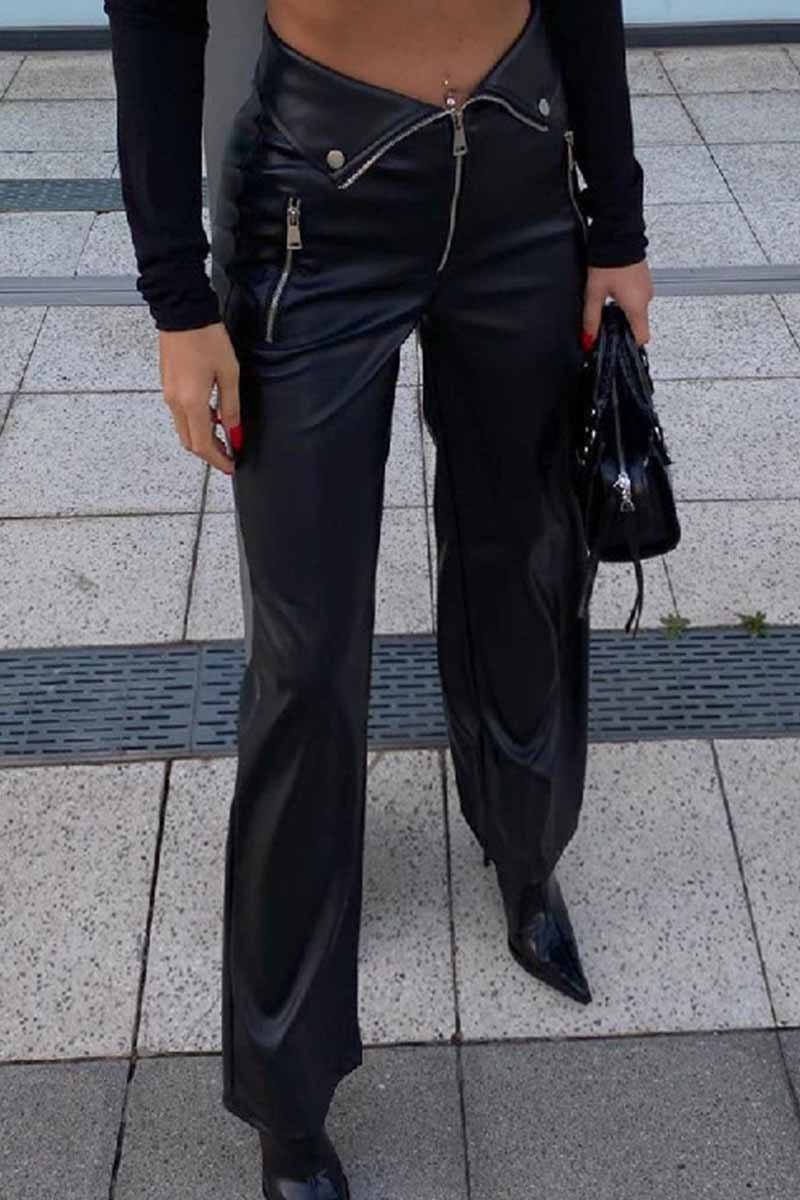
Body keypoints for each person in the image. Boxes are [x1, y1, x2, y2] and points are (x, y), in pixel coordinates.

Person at [104, 1, 652, 1196]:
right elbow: (153, 16)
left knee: (525, 561)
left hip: (521, 174)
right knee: (305, 666)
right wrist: (177, 301)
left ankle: (523, 848)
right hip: (315, 207)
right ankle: (286, 1092)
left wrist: (615, 224)